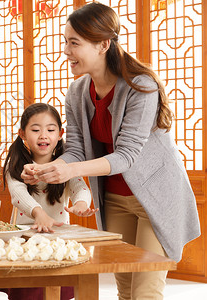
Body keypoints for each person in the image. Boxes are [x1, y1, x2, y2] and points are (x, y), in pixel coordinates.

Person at [21, 2, 201, 300]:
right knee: (125, 290)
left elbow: (127, 156)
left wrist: (69, 170)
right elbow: (76, 149)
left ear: (103, 44)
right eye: (66, 41)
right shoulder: (77, 93)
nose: (66, 50)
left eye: (74, 43)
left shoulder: (141, 87)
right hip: (115, 199)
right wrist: (47, 169)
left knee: (145, 291)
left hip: (156, 197)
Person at [1, 103, 96, 300]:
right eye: (35, 130)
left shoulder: (66, 165)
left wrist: (80, 204)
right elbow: (18, 195)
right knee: (27, 292)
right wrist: (39, 214)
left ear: (60, 133)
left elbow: (81, 188)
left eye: (50, 130)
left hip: (58, 239)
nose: (43, 135)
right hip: (24, 240)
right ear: (23, 134)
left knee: (57, 290)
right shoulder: (16, 164)